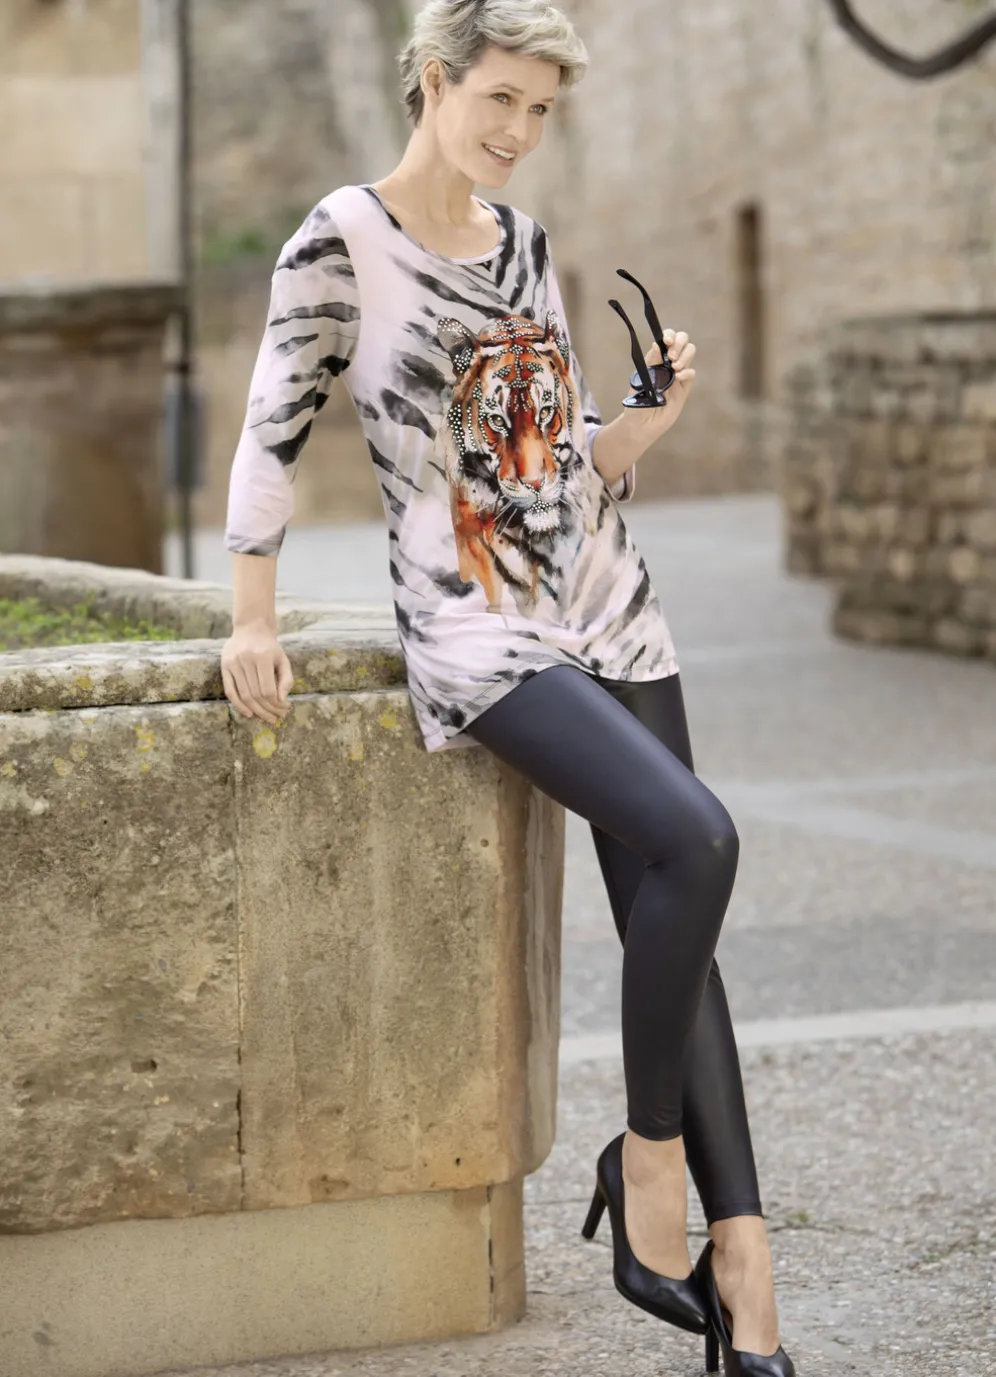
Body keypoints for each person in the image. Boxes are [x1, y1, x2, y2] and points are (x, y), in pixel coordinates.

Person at [220, 2, 795, 1372]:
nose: (519, 131)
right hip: (476, 625)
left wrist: (644, 421)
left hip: (604, 594)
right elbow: (270, 430)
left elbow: (553, 455)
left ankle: (748, 1278)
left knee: (674, 912)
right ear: (435, 79)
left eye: (541, 110)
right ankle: (646, 1162)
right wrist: (251, 615)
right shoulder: (341, 239)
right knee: (700, 837)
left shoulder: (524, 243)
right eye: (501, 99)